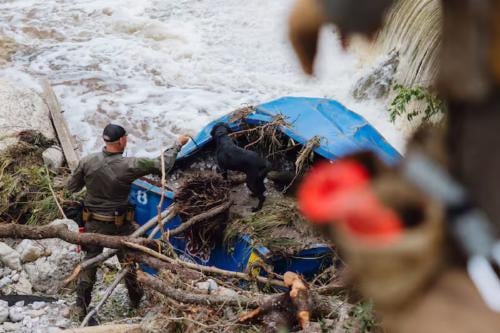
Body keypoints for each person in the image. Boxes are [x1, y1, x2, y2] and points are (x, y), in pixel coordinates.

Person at [66, 123, 190, 322]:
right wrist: (177, 144)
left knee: (89, 262)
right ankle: (135, 302)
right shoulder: (130, 165)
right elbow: (162, 165)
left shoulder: (87, 161)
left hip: (93, 224)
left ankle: (80, 306)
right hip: (120, 226)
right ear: (122, 140)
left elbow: (71, 187)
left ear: (104, 141)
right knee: (129, 261)